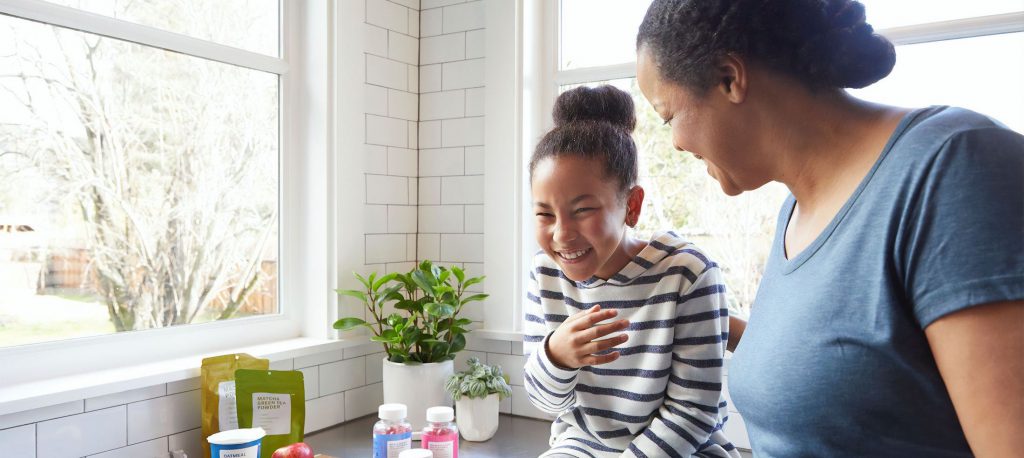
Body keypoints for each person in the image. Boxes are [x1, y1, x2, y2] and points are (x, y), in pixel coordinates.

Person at [635, 0, 1024, 456]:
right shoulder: (794, 213)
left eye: (668, 118)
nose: (675, 145)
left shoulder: (954, 168)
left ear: (729, 78)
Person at [522, 85, 740, 458]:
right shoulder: (545, 274)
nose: (561, 234)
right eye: (544, 214)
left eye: (583, 210)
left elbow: (692, 413)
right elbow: (547, 403)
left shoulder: (687, 274)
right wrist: (555, 355)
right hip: (583, 445)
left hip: (686, 449)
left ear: (631, 206)